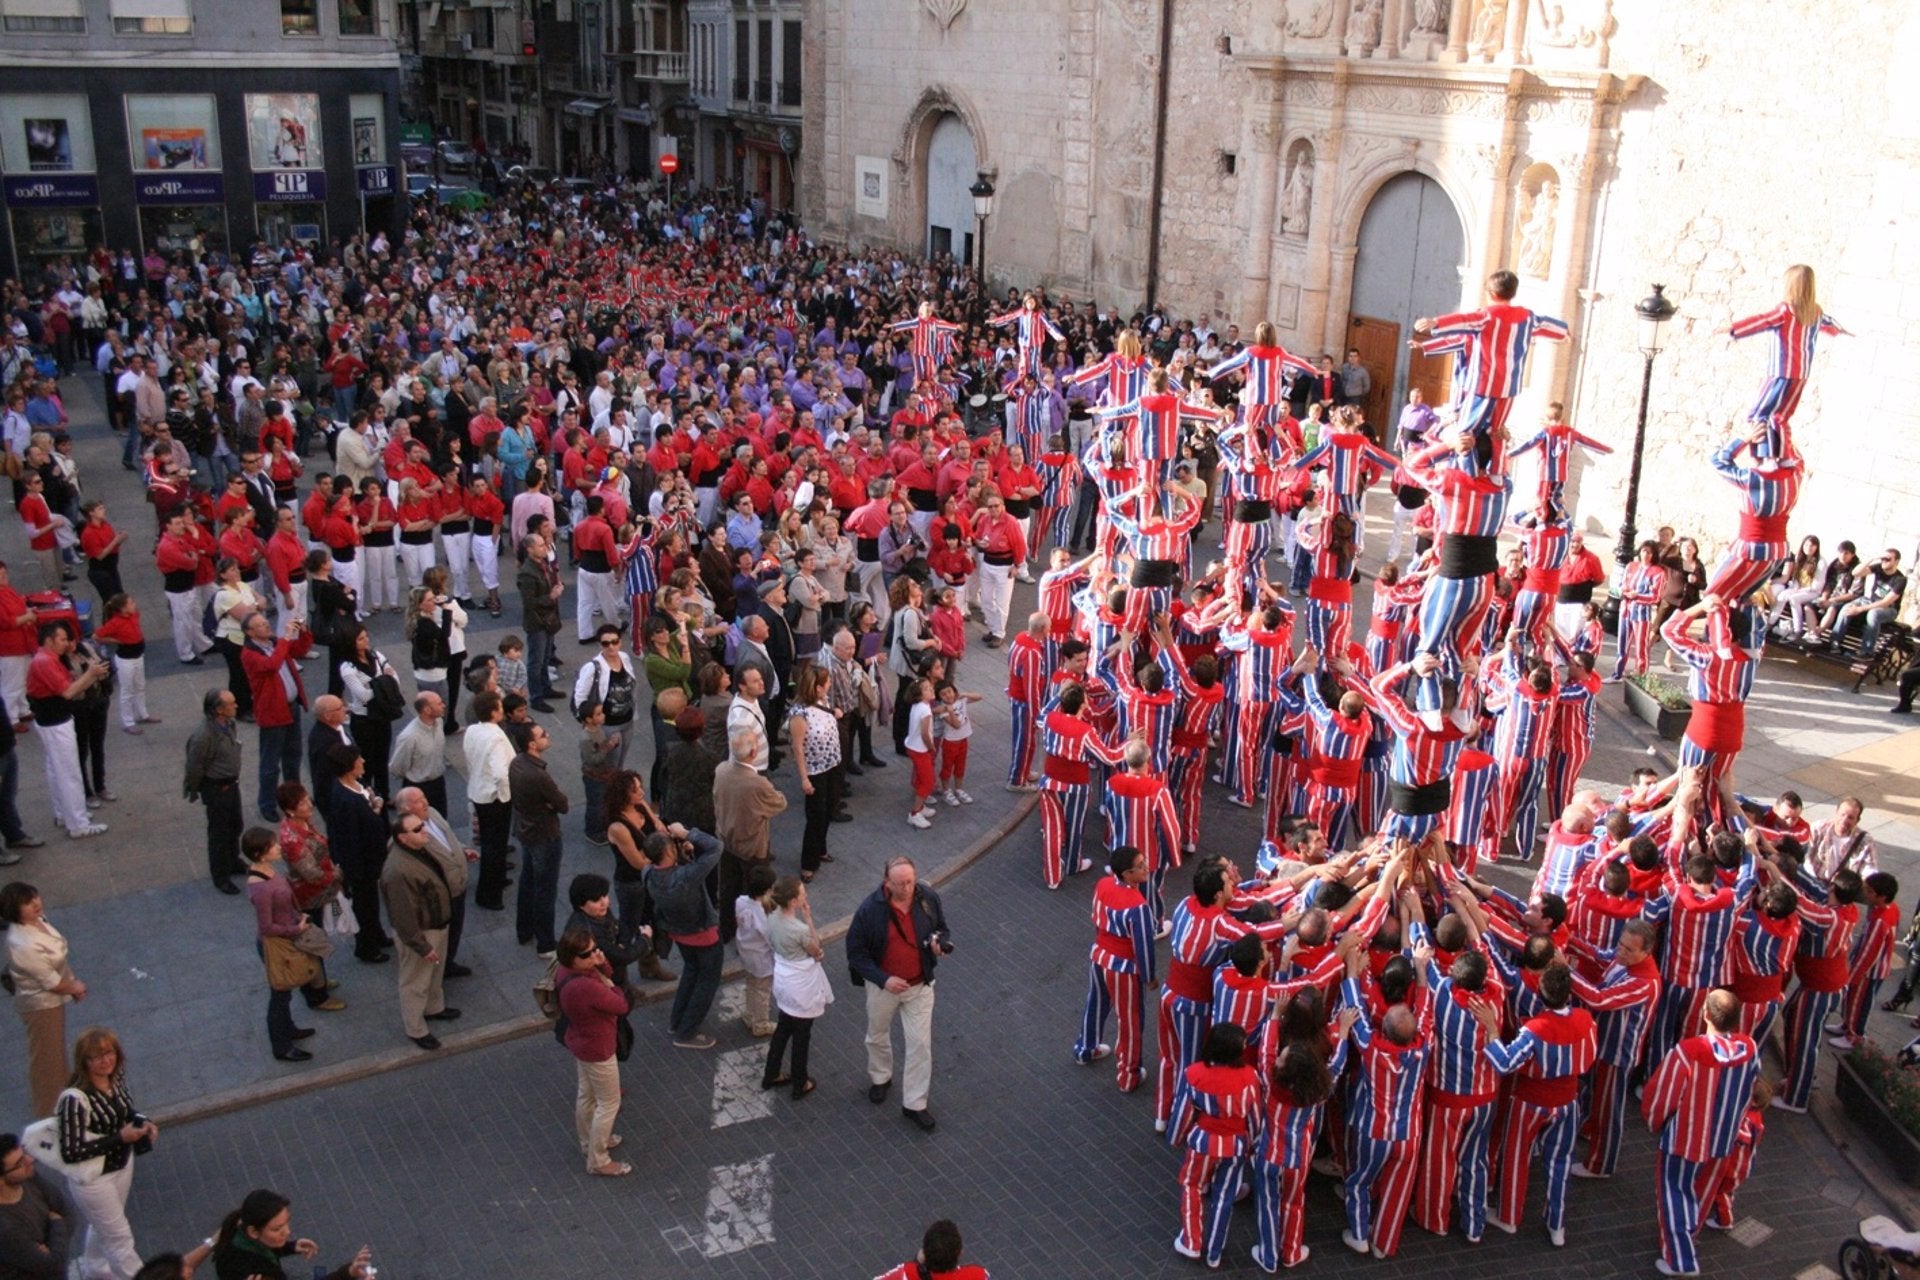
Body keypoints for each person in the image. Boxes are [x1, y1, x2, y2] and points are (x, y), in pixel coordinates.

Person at [1642, 989, 1761, 1277]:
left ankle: (1680, 1258)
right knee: (1702, 1192)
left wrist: (1655, 1123)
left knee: (1673, 1191)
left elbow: (1661, 1096)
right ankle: (1688, 1236)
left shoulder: (1688, 1051)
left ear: (1705, 1015)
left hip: (1685, 1138)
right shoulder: (1750, 1048)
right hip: (1725, 1137)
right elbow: (1751, 1089)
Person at [846, 856, 953, 1132]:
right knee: (877, 1034)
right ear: (886, 883)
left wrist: (938, 942)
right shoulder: (869, 910)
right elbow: (856, 955)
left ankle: (915, 1104)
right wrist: (884, 978)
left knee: (920, 1045)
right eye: (900, 883)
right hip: (884, 988)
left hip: (920, 986)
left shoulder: (927, 896)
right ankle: (881, 1077)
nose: (907, 888)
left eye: (910, 881)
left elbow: (942, 927)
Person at [55, 1027, 155, 1280]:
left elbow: (125, 1111)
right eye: (96, 1057)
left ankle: (95, 1271)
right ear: (84, 1061)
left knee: (105, 1226)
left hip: (121, 1164)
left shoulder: (115, 1077)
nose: (105, 1060)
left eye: (109, 1053)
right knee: (119, 1237)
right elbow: (71, 1151)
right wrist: (119, 1138)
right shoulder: (75, 1100)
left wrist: (144, 1122)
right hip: (93, 1178)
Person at [242, 827, 340, 1062]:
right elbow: (266, 927)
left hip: (289, 936)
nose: (279, 847)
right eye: (273, 846)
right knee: (280, 993)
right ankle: (281, 1045)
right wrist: (296, 929)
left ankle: (288, 1029)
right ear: (261, 854)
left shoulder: (268, 871)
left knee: (284, 994)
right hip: (278, 945)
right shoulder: (261, 887)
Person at [1169, 1021, 1262, 1269]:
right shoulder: (1250, 1077)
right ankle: (1215, 1251)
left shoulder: (1194, 1074)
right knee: (1224, 1196)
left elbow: (1184, 1112)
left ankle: (1192, 1240)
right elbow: (1254, 1117)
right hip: (1236, 1145)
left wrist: (1177, 1137)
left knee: (1192, 1186)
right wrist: (1252, 1145)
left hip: (1203, 1142)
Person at [554, 926, 633, 1176]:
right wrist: (605, 972)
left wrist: (599, 966)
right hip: (598, 1047)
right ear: (572, 958)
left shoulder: (565, 972)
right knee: (609, 1103)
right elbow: (620, 1003)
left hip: (580, 1042)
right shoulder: (585, 986)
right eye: (587, 954)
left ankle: (588, 1143)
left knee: (586, 1095)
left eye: (594, 949)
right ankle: (598, 1160)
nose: (594, 956)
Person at [379, 811, 458, 1051]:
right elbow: (403, 916)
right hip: (422, 932)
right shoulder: (398, 871)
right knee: (415, 980)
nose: (424, 830)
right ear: (402, 838)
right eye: (416, 829)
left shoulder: (418, 850)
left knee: (434, 972)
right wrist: (421, 946)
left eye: (422, 826)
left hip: (436, 924)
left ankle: (434, 1007)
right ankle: (415, 1028)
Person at [1, 883, 82, 1116]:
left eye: (35, 897)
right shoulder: (22, 944)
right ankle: (48, 1111)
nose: (36, 903)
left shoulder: (39, 921)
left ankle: (65, 1097)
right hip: (40, 1005)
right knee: (46, 1057)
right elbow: (50, 981)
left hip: (51, 1001)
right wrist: (74, 986)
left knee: (55, 1053)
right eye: (28, 902)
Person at [24, 624, 107, 842]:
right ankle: (78, 823)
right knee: (68, 772)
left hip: (51, 720)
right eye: (61, 639)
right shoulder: (45, 661)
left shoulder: (46, 659)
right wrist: (90, 674)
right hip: (55, 723)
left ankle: (64, 813)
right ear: (49, 640)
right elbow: (68, 691)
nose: (66, 642)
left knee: (56, 768)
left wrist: (91, 675)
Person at [645, 825, 726, 1049]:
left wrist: (682, 851)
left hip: (678, 933)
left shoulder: (649, 874)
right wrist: (687, 833)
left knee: (691, 973)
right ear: (669, 853)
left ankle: (677, 1020)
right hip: (703, 934)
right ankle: (687, 1032)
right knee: (707, 981)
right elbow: (716, 847)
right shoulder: (684, 877)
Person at [762, 875, 831, 1100]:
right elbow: (817, 950)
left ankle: (771, 1073)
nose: (805, 896)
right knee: (802, 1034)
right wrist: (809, 919)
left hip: (783, 978)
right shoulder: (799, 929)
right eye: (802, 894)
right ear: (793, 902)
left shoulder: (771, 918)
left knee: (784, 1027)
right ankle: (800, 1082)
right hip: (800, 985)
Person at [208, 1188, 372, 1280]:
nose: (287, 1231)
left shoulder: (236, 1234)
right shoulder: (257, 1274)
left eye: (287, 1222)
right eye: (277, 1229)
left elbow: (261, 1247)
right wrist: (348, 1273)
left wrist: (290, 1247)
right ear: (253, 1231)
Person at [240, 613, 311, 822]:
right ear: (249, 632)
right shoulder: (249, 654)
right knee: (270, 763)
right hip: (273, 712)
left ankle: (295, 798)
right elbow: (271, 665)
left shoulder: (275, 643)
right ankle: (267, 803)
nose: (266, 626)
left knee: (293, 756)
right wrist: (287, 639)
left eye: (265, 622)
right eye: (260, 625)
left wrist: (304, 632)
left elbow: (299, 649)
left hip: (291, 708)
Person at [324, 745, 391, 965]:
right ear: (348, 766)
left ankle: (377, 934)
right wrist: (375, 810)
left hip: (371, 857)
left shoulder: (355, 787)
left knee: (371, 902)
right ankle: (367, 946)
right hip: (361, 863)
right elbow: (349, 836)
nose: (362, 760)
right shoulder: (345, 800)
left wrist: (376, 804)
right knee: (365, 905)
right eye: (358, 758)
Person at [508, 722, 570, 958]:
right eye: (543, 734)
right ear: (533, 744)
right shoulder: (539, 775)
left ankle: (524, 930)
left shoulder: (517, 763)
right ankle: (546, 943)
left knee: (528, 880)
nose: (548, 735)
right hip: (545, 834)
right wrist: (550, 803)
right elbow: (563, 804)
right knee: (545, 889)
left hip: (526, 830)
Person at [183, 689, 243, 891]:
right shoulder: (203, 736)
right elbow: (194, 766)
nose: (236, 705)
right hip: (217, 788)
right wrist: (194, 789)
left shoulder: (229, 724)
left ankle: (233, 861)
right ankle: (220, 876)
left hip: (232, 784)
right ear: (218, 710)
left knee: (235, 825)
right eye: (231, 703)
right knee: (219, 833)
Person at [788, 666, 844, 877]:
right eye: (827, 682)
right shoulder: (799, 714)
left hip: (832, 764)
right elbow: (797, 748)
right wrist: (804, 779)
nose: (830, 685)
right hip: (815, 771)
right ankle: (808, 864)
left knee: (829, 810)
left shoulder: (823, 702)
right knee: (815, 817)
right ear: (818, 687)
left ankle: (820, 849)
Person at [463, 692, 515, 912]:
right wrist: (505, 794)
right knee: (494, 846)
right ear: (494, 712)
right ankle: (489, 894)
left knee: (493, 842)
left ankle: (498, 879)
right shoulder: (495, 737)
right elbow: (501, 773)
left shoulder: (473, 730)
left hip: (478, 791)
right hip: (494, 797)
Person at [0, 1130, 73, 1279]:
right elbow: (52, 1266)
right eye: (20, 1162)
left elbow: (68, 1213)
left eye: (24, 1153)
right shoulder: (5, 1227)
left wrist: (52, 1249)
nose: (30, 1160)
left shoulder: (30, 1178)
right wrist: (57, 1223)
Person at [388, 692, 448, 817]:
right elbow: (397, 767)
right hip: (418, 786)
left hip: (438, 783)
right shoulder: (409, 736)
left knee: (441, 820)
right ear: (427, 710)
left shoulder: (439, 722)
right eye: (439, 703)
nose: (444, 705)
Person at [734, 864, 778, 1037]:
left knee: (751, 984)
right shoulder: (762, 913)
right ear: (768, 889)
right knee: (762, 990)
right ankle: (760, 1023)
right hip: (761, 958)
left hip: (746, 952)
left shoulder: (741, 901)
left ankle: (750, 1014)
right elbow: (770, 938)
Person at [872, 1220, 990, 1280]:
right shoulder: (977, 1275)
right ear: (960, 1254)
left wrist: (916, 1262)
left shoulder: (905, 1273)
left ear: (923, 1252)